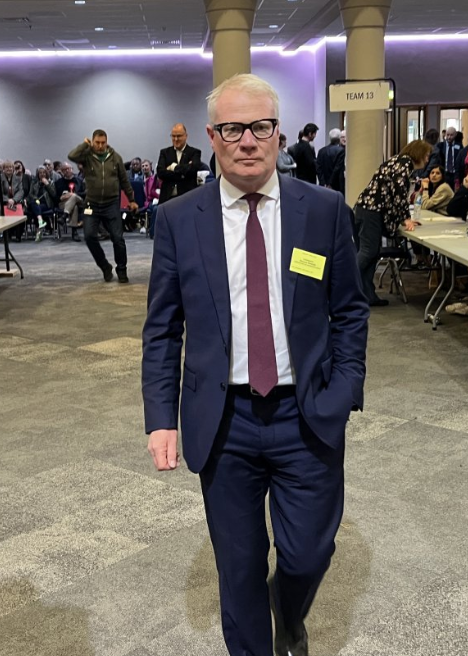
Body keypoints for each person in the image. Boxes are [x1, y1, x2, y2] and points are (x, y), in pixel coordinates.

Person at [142, 73, 368, 656]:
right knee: (238, 567)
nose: (248, 140)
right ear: (213, 137)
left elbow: (349, 310)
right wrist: (161, 418)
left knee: (308, 553)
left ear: (278, 134)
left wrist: (345, 388)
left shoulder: (322, 211)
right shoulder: (178, 219)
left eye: (260, 127)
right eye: (233, 128)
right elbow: (163, 330)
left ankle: (289, 611)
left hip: (307, 412)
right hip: (224, 420)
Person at [352, 139, 433, 307]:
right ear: (418, 154)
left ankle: (367, 295)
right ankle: (345, 285)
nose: (427, 160)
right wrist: (405, 218)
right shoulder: (403, 165)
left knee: (371, 254)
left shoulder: (397, 161)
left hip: (366, 209)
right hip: (371, 211)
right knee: (368, 252)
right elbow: (399, 195)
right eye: (426, 156)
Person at [69, 129, 138, 282]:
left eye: (103, 143)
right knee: (89, 236)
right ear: (92, 142)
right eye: (97, 143)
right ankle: (105, 266)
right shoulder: (86, 157)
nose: (100, 146)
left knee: (118, 238)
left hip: (111, 203)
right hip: (91, 204)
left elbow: (124, 181)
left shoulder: (115, 158)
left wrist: (131, 199)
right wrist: (84, 145)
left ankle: (122, 270)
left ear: (107, 142)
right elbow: (71, 156)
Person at [156, 122, 205, 206]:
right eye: (173, 136)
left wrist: (173, 167)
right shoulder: (164, 152)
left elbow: (193, 169)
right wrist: (183, 173)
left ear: (186, 136)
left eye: (178, 136)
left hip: (187, 198)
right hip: (167, 199)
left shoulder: (194, 152)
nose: (175, 139)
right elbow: (160, 173)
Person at [51, 161, 86, 241]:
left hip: (79, 200)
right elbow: (55, 197)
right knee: (75, 207)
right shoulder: (58, 183)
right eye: (64, 170)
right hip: (64, 203)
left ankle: (64, 216)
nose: (66, 171)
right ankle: (74, 232)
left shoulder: (79, 181)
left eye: (68, 169)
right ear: (62, 172)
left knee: (73, 196)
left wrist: (73, 194)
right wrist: (61, 197)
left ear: (72, 169)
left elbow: (84, 193)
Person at [316, 128, 345, 193]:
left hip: (323, 185)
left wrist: (323, 183)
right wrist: (330, 184)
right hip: (336, 185)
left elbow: (318, 168)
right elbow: (337, 168)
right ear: (339, 138)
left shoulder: (321, 151)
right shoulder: (341, 151)